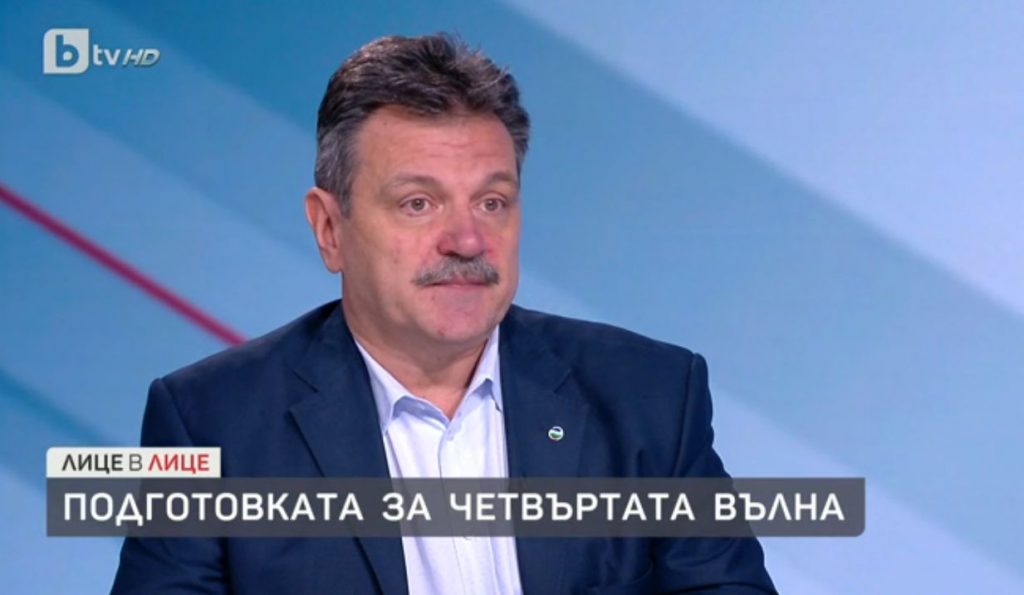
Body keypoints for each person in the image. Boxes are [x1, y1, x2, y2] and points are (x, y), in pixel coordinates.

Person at [112, 33, 775, 594]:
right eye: (418, 203)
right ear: (329, 229)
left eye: (491, 202)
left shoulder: (650, 396)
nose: (467, 240)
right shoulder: (210, 425)